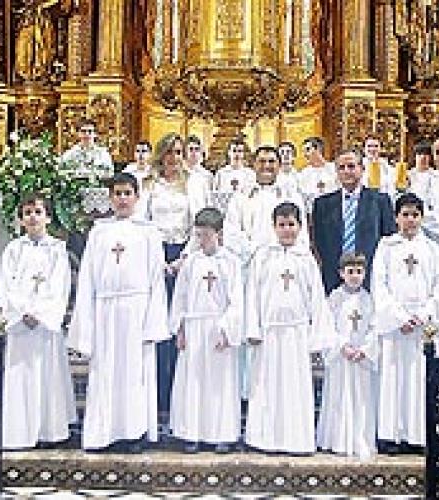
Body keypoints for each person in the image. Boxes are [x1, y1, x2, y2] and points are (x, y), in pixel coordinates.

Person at [69, 172, 169, 451]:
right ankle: (103, 433)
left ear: (137, 197)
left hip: (137, 310)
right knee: (105, 372)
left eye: (127, 193)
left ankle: (133, 432)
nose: (123, 199)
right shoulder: (99, 232)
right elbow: (87, 277)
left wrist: (153, 321)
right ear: (110, 198)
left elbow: (156, 279)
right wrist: (86, 320)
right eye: (117, 194)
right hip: (105, 309)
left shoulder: (148, 232)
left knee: (134, 374)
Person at [244, 202, 336, 455]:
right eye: (281, 225)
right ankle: (264, 439)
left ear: (300, 226)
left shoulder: (306, 259)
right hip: (269, 332)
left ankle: (297, 440)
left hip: (297, 333)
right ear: (274, 227)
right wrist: (253, 329)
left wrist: (316, 338)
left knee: (295, 388)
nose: (286, 230)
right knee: (267, 386)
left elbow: (317, 299)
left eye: (291, 224)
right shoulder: (263, 256)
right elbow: (252, 293)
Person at [372, 192, 439, 451]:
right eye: (405, 214)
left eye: (415, 215)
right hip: (396, 325)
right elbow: (379, 285)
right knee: (392, 377)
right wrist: (399, 318)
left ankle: (416, 436)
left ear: (422, 218)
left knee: (418, 379)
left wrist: (425, 315)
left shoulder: (432, 249)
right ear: (396, 218)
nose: (410, 220)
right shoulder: (386, 247)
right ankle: (390, 436)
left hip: (422, 326)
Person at [0, 194, 76, 450]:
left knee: (47, 375)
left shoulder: (57, 249)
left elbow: (60, 286)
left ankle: (48, 431)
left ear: (48, 217)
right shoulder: (13, 249)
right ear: (21, 219)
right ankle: (18, 433)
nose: (33, 217)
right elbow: (7, 285)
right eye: (27, 212)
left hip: (45, 325)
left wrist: (41, 313)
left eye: (38, 212)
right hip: (21, 325)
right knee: (19, 376)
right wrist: (23, 311)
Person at [169, 208, 243, 453]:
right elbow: (180, 297)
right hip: (194, 327)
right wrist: (180, 328)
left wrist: (227, 329)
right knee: (193, 381)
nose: (202, 240)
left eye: (207, 235)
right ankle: (191, 433)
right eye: (198, 235)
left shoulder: (230, 262)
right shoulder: (191, 262)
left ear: (219, 234)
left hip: (218, 329)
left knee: (219, 384)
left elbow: (237, 300)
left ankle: (222, 434)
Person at [139, 133, 193, 417]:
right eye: (169, 152)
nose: (174, 158)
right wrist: (159, 261)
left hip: (184, 254)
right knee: (158, 323)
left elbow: (199, 223)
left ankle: (180, 394)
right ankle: (158, 393)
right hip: (155, 256)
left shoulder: (193, 183)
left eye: (179, 152)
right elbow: (143, 224)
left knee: (181, 324)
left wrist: (184, 258)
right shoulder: (148, 184)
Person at [317, 252, 379, 458]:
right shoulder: (334, 299)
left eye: (359, 272)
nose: (354, 276)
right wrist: (342, 346)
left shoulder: (369, 300)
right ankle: (336, 440)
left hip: (360, 358)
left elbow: (374, 328)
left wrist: (365, 349)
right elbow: (327, 326)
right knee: (338, 397)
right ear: (341, 273)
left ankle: (360, 439)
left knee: (361, 400)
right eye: (350, 271)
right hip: (341, 358)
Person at [312, 149, 396, 294]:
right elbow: (319, 242)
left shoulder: (380, 201)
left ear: (362, 169)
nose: (346, 171)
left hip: (370, 275)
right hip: (334, 276)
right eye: (341, 167)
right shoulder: (322, 204)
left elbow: (389, 239)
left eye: (351, 166)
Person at [224, 145, 309, 265]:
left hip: (284, 263)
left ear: (279, 165)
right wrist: (255, 254)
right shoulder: (240, 196)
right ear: (254, 165)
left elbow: (301, 233)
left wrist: (285, 256)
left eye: (271, 161)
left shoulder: (292, 196)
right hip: (249, 262)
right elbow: (231, 232)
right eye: (262, 161)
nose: (266, 166)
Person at [61, 119, 114, 215]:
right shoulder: (69, 154)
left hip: (98, 193)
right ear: (78, 134)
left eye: (90, 131)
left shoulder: (103, 153)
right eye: (83, 131)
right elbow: (62, 172)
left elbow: (110, 173)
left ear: (95, 134)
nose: (87, 135)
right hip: (75, 194)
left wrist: (95, 175)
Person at [212, 139, 256, 212]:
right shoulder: (221, 173)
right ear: (229, 153)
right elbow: (215, 196)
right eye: (234, 151)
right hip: (225, 211)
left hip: (244, 210)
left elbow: (252, 196)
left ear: (243, 154)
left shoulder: (250, 174)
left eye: (240, 151)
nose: (237, 154)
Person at [298, 136, 337, 212]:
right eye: (304, 151)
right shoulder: (304, 174)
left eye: (308, 150)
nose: (305, 154)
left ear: (318, 149)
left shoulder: (334, 169)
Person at [184, 135, 213, 217]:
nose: (194, 153)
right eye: (191, 149)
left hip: (201, 217)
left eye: (196, 149)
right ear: (185, 152)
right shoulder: (179, 173)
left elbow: (210, 199)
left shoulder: (207, 176)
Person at [406, 141, 434, 207]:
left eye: (426, 154)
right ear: (415, 156)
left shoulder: (435, 175)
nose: (423, 157)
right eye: (419, 154)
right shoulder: (408, 174)